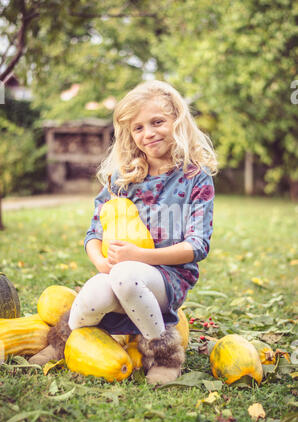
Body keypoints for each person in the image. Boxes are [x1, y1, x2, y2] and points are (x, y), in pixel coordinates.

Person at [29, 80, 218, 384]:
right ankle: (64, 343)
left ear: (177, 121)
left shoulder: (195, 178)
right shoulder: (123, 177)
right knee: (94, 292)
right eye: (138, 127)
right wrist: (100, 262)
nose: (149, 133)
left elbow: (198, 245)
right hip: (120, 270)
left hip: (168, 277)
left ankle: (164, 355)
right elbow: (94, 234)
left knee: (126, 274)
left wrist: (142, 256)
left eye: (157, 122)